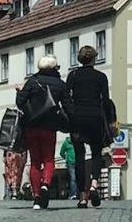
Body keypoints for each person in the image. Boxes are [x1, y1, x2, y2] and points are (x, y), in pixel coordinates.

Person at [16, 55, 69, 209]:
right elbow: (66, 105)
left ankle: (37, 197)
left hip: (31, 127)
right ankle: (46, 184)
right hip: (50, 127)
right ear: (55, 68)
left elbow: (20, 103)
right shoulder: (60, 84)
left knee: (35, 162)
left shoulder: (32, 82)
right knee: (49, 160)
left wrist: (20, 92)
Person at [66, 46, 113, 208]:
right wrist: (111, 120)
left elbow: (66, 97)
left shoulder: (73, 75)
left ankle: (82, 196)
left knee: (79, 156)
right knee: (96, 154)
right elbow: (106, 100)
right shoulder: (101, 77)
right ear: (94, 59)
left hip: (77, 119)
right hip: (95, 118)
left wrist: (71, 113)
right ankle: (93, 185)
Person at [59, 134, 77, 200]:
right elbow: (61, 152)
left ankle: (77, 193)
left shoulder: (77, 141)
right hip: (70, 162)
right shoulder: (66, 143)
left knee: (78, 177)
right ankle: (73, 194)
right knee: (73, 178)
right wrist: (66, 158)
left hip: (78, 161)